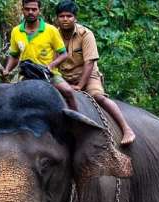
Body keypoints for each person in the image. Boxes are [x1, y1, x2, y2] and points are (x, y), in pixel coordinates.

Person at [55, 0, 136, 145]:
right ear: (57, 19)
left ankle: (126, 128)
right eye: (62, 16)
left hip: (87, 74)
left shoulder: (85, 34)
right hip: (63, 76)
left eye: (69, 16)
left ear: (75, 18)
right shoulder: (53, 35)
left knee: (98, 96)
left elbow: (89, 63)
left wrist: (80, 86)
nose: (65, 19)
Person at [1, 0, 78, 110]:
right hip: (25, 75)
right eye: (27, 9)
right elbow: (14, 55)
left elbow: (63, 54)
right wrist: (7, 70)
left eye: (34, 9)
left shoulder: (51, 30)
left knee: (68, 91)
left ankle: (76, 120)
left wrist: (51, 66)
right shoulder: (16, 31)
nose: (30, 12)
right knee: (6, 99)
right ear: (22, 10)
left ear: (39, 11)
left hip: (48, 74)